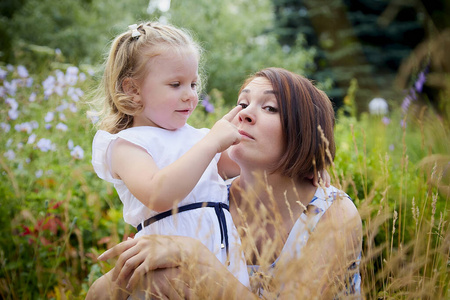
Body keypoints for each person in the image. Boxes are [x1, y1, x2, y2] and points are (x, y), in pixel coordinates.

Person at [91, 67, 363, 299]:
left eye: (269, 107)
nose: (244, 114)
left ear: (304, 132)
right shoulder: (207, 202)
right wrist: (129, 277)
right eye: (242, 104)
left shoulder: (332, 215)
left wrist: (195, 257)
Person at [87, 21, 250, 299]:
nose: (190, 94)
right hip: (164, 268)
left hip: (220, 262)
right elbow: (158, 194)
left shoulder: (198, 138)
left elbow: (244, 167)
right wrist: (211, 143)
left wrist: (302, 167)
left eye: (193, 84)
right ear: (133, 90)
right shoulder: (127, 144)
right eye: (176, 84)